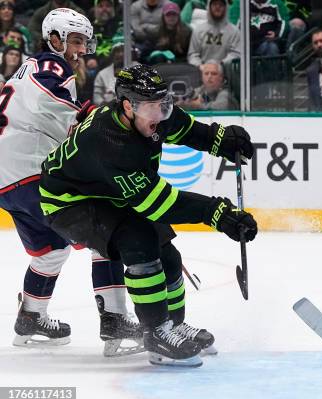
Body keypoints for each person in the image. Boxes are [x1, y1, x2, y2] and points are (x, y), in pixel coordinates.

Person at [39, 64, 257, 367]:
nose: (158, 115)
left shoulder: (154, 115)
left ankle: (173, 326)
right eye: (149, 107)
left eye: (161, 104)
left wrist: (222, 140)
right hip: (69, 202)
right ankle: (156, 333)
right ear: (128, 106)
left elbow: (190, 130)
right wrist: (217, 213)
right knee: (139, 240)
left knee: (166, 251)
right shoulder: (110, 140)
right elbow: (158, 204)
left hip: (108, 192)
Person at [0, 8, 142, 357]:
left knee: (51, 250)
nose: (81, 49)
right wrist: (96, 121)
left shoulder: (27, 69)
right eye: (75, 41)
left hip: (8, 180)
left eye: (83, 42)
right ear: (55, 39)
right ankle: (115, 320)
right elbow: (53, 107)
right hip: (30, 169)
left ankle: (31, 316)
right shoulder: (51, 65)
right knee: (105, 232)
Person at [187, 0, 240, 67]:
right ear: (209, 7)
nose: (217, 7)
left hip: (227, 73)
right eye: (214, 4)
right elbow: (192, 55)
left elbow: (237, 54)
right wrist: (201, 66)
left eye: (220, 5)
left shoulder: (234, 32)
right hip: (202, 72)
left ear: (226, 8)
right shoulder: (198, 30)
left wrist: (220, 65)